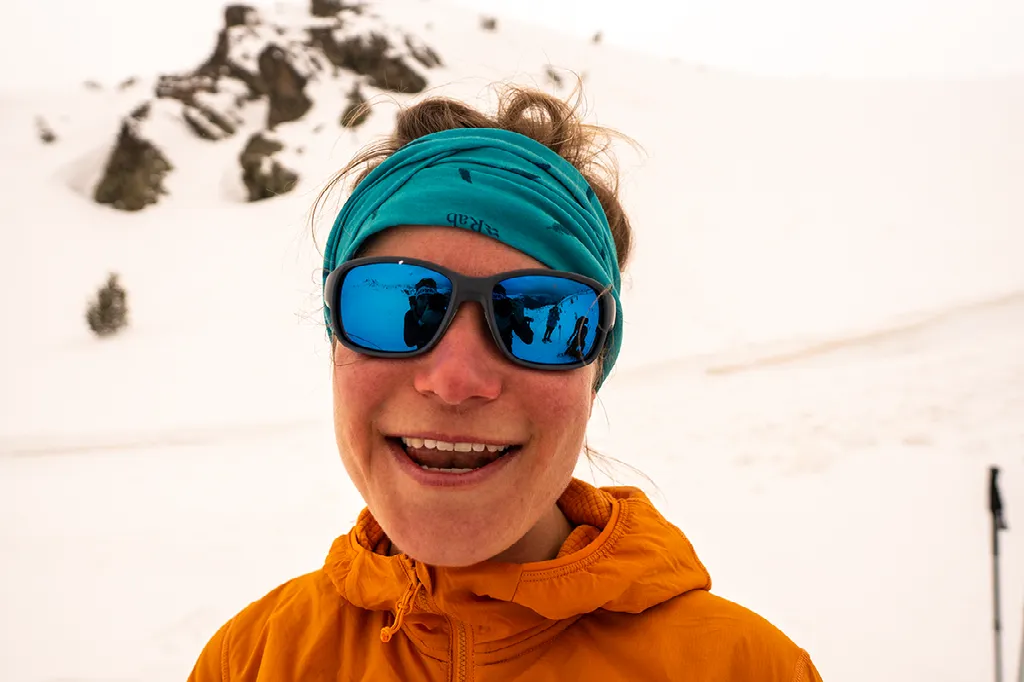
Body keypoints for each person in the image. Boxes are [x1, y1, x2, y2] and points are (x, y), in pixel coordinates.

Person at [188, 85, 823, 681]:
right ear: (335, 341)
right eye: (397, 304)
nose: (455, 380)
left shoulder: (741, 668)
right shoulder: (254, 660)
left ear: (595, 368)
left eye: (541, 319)